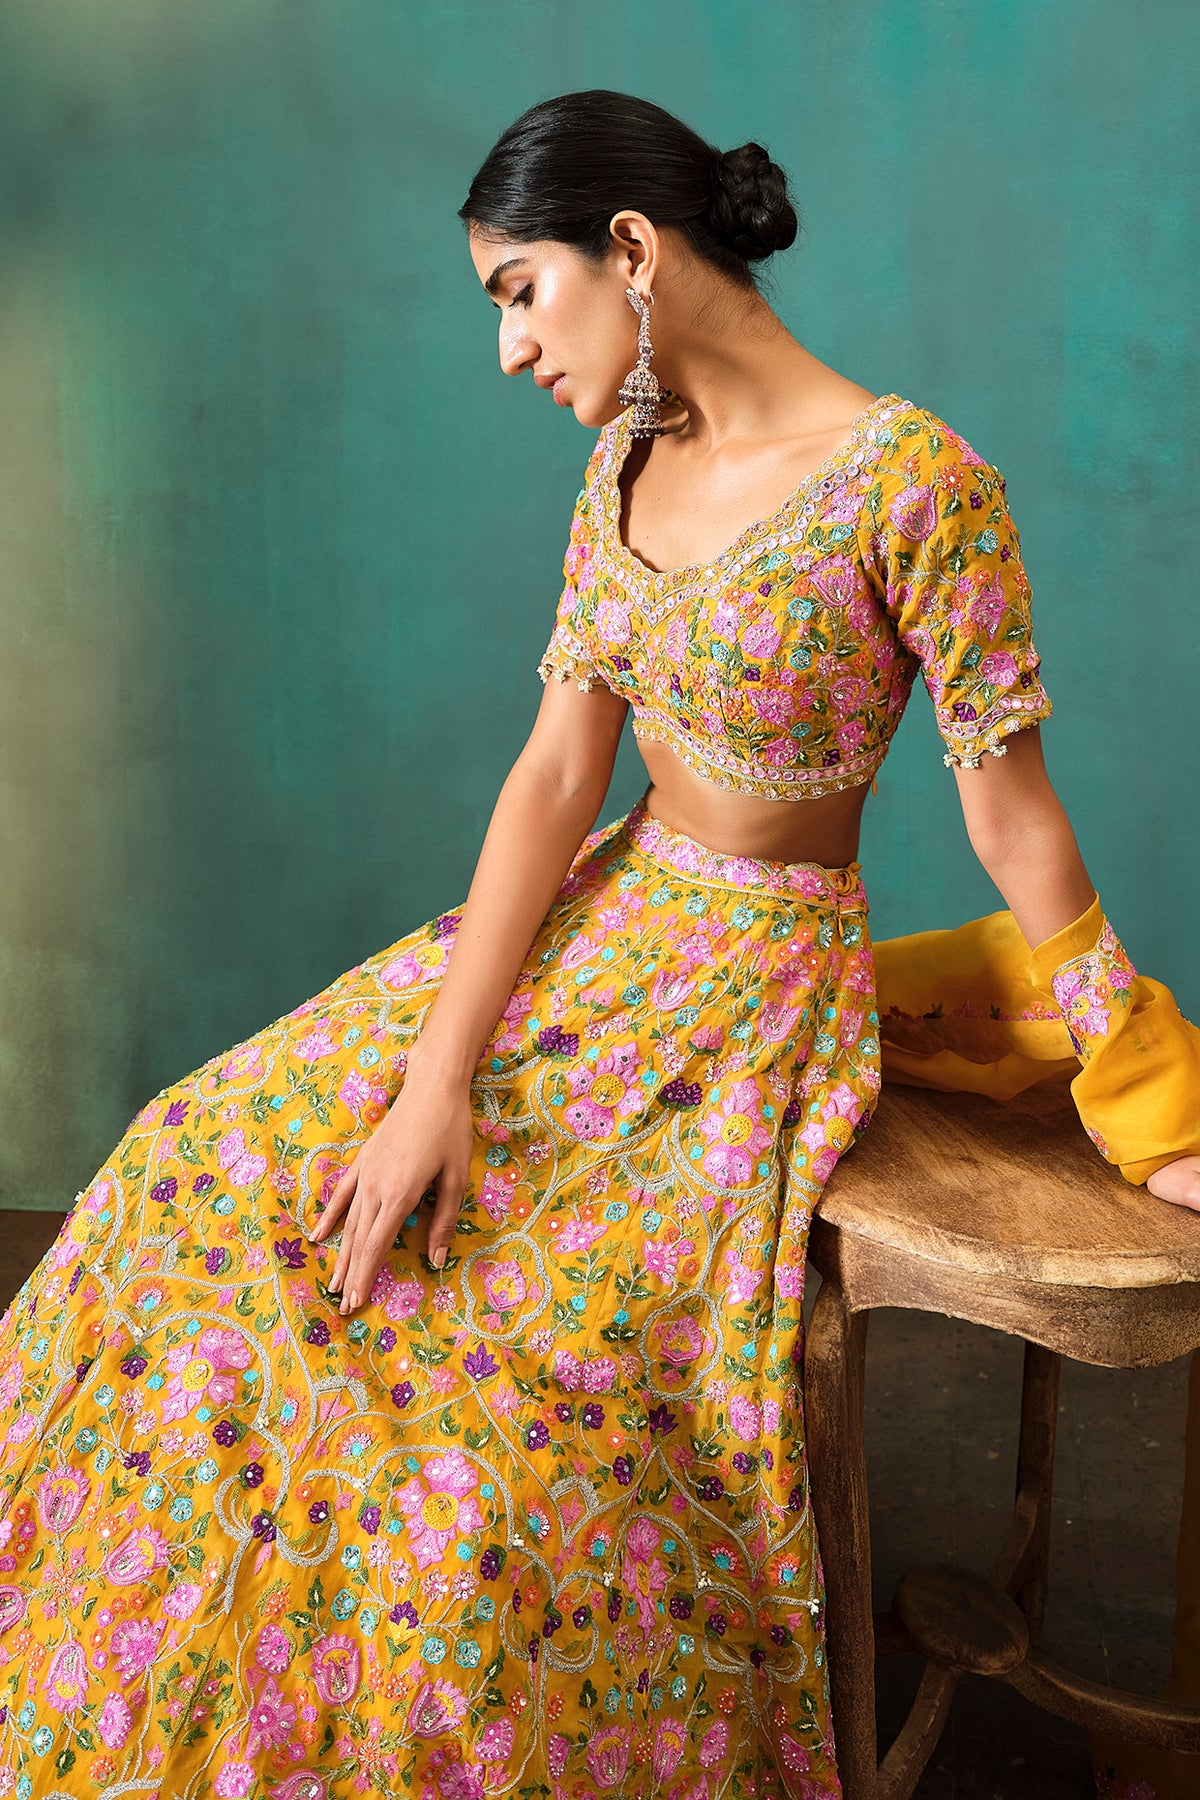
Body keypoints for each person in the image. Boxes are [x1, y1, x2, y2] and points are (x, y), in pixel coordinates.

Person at [0, 88, 1195, 1800]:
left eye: (518, 291)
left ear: (630, 248)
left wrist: (1146, 1093)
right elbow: (556, 780)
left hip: (742, 1004)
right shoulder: (623, 466)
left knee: (467, 1414)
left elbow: (1011, 816)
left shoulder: (917, 487)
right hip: (584, 931)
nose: (508, 347)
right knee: (190, 1169)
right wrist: (436, 1077)